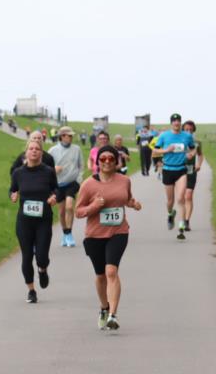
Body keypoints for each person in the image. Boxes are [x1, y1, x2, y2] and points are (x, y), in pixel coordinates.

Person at [75, 145, 142, 330]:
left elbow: (126, 199)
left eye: (110, 159)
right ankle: (104, 308)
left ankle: (113, 314)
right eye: (102, 159)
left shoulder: (124, 180)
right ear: (98, 162)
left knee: (111, 271)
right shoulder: (88, 184)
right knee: (101, 275)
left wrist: (133, 204)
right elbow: (78, 212)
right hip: (94, 235)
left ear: (116, 161)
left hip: (118, 232)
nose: (106, 162)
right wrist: (94, 206)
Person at [10, 139, 58, 303]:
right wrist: (13, 195)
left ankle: (42, 269)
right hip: (24, 221)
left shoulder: (48, 172)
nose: (34, 151)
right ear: (26, 152)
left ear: (41, 152)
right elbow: (13, 188)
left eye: (37, 149)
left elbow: (56, 189)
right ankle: (31, 290)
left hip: (43, 220)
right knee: (26, 256)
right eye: (31, 149)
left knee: (42, 256)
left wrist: (54, 197)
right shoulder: (18, 173)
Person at [151, 112, 197, 240]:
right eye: (174, 121)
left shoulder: (187, 136)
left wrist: (191, 154)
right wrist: (166, 150)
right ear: (171, 123)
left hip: (181, 170)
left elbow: (193, 149)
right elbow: (155, 150)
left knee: (181, 199)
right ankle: (171, 214)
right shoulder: (164, 136)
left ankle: (181, 227)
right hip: (167, 170)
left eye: (178, 121)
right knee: (170, 201)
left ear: (180, 123)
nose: (176, 123)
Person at [49, 126, 84, 247]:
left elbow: (81, 166)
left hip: (72, 183)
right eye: (68, 135)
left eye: (71, 136)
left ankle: (69, 234)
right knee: (62, 210)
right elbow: (46, 169)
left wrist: (79, 179)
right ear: (61, 136)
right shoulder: (53, 150)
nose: (70, 137)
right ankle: (65, 233)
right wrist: (54, 170)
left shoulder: (77, 149)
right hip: (58, 184)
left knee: (70, 206)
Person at [181, 120, 203, 231]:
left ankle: (187, 221)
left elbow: (200, 155)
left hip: (191, 171)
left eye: (190, 130)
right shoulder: (177, 141)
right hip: (178, 171)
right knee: (181, 198)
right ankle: (179, 216)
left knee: (188, 196)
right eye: (186, 130)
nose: (189, 131)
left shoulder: (197, 142)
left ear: (193, 130)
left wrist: (199, 164)